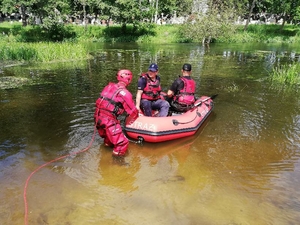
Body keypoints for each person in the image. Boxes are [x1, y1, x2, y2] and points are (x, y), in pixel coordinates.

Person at [94, 69, 139, 158]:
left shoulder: (109, 86)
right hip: (108, 120)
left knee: (108, 140)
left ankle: (105, 155)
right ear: (129, 79)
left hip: (97, 118)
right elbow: (132, 111)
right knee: (122, 144)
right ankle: (116, 165)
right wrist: (138, 115)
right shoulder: (125, 93)